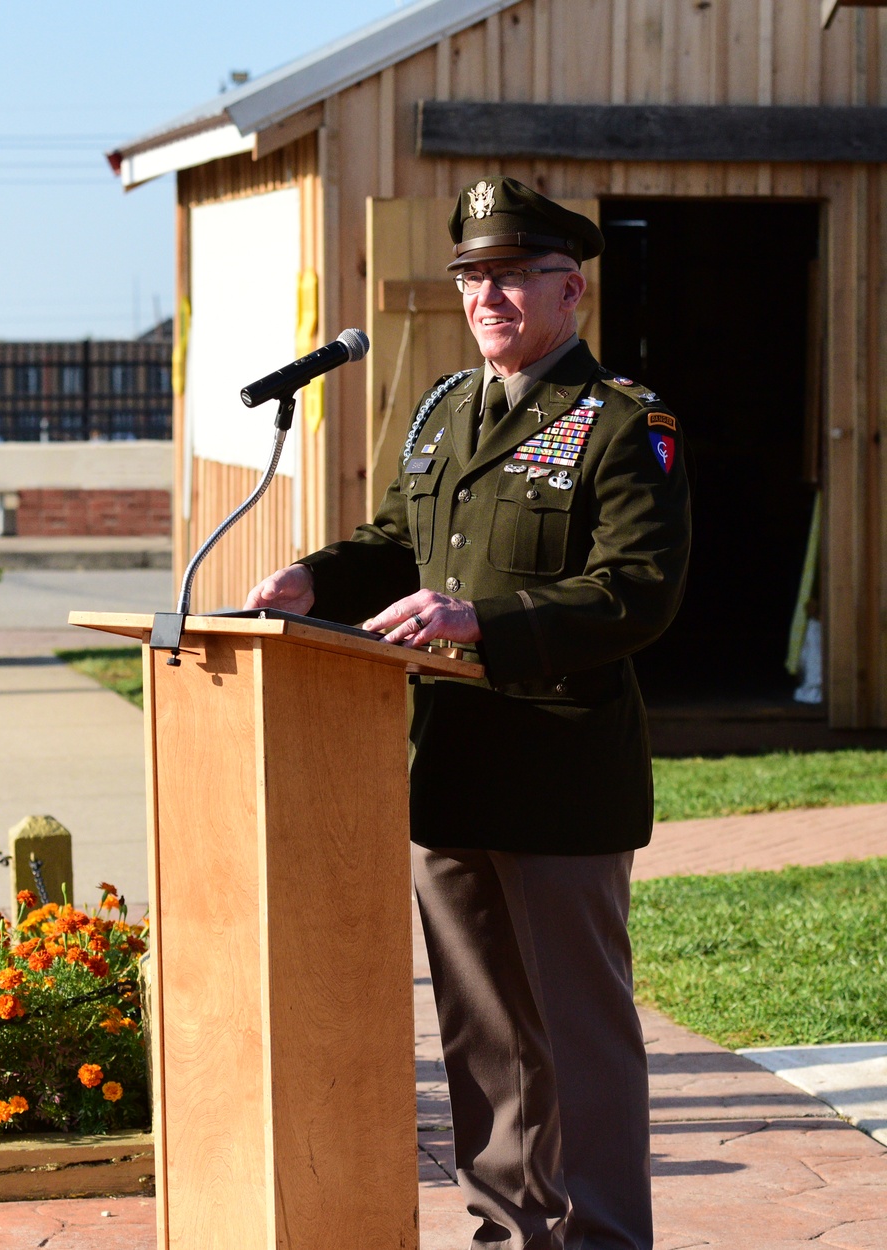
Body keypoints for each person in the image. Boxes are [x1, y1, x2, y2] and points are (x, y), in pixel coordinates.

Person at [244, 176, 691, 1250]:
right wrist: (311, 578)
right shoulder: (446, 410)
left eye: (508, 274)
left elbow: (638, 590)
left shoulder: (623, 423)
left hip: (559, 767)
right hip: (448, 764)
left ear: (568, 289)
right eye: (470, 274)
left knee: (576, 1034)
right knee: (481, 1033)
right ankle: (508, 1228)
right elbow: (399, 544)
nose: (485, 294)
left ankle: (602, 1236)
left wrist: (481, 617)